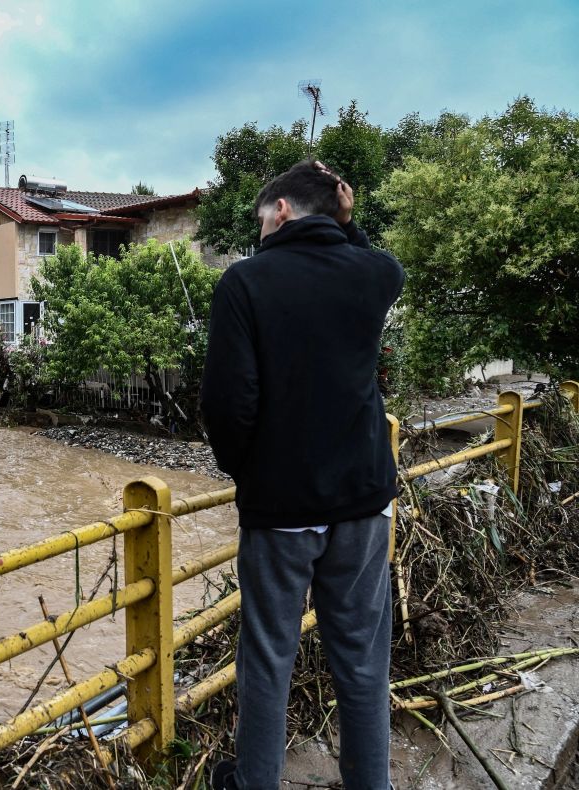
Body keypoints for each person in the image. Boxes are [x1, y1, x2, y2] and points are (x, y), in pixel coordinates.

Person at [200, 160, 405, 790]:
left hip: (282, 509)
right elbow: (379, 262)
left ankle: (254, 782)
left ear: (281, 210)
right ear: (335, 210)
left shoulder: (245, 282)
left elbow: (228, 404)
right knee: (364, 661)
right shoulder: (375, 274)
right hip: (365, 505)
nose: (258, 228)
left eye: (262, 216)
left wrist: (250, 476)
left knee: (267, 659)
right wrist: (349, 221)